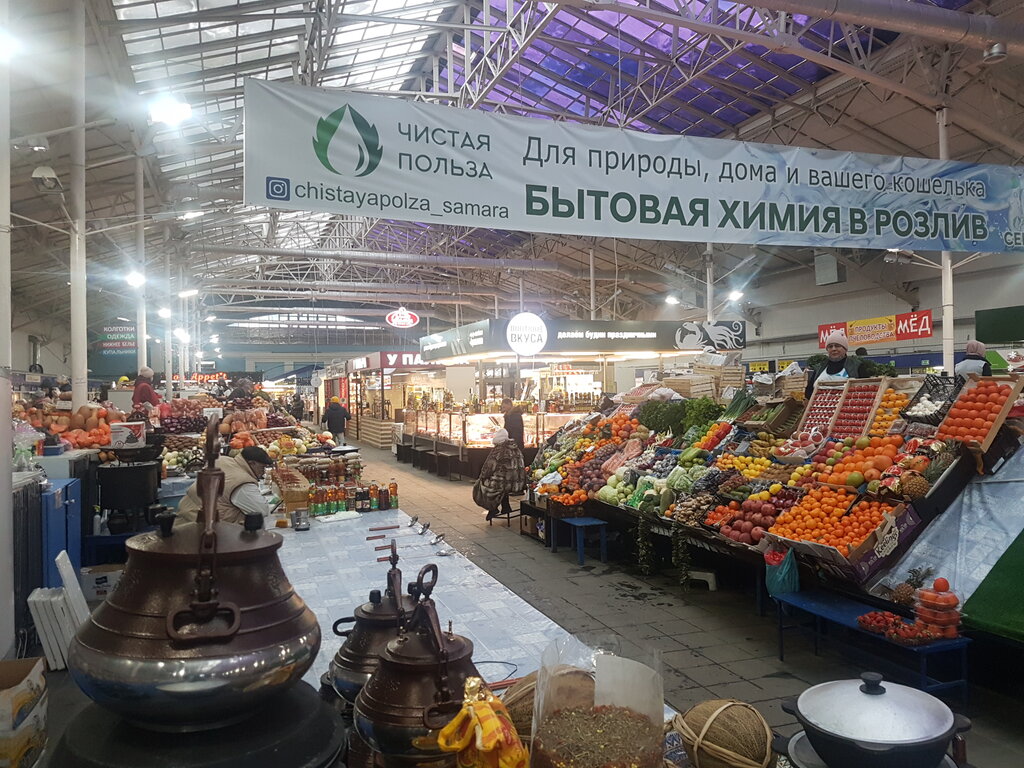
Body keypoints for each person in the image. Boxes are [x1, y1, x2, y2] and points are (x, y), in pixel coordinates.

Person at [177, 446, 276, 525]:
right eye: (262, 467)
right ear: (252, 463)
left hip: (185, 517)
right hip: (206, 529)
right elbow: (261, 511)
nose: (263, 472)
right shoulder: (242, 482)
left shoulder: (222, 460)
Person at [472, 429, 526, 521]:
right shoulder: (516, 448)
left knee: (484, 485)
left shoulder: (498, 450)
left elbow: (488, 467)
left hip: (503, 483)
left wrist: (482, 477)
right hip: (517, 483)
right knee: (503, 484)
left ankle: (492, 508)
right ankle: (506, 507)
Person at [805, 331, 864, 398]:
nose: (834, 349)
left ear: (845, 349)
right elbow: (809, 392)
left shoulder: (856, 366)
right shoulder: (820, 368)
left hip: (848, 406)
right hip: (819, 407)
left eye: (837, 346)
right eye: (830, 346)